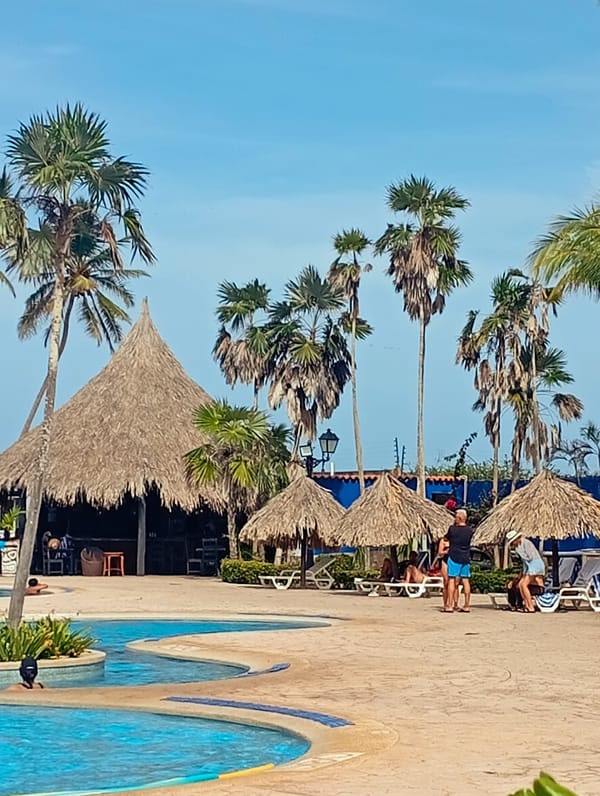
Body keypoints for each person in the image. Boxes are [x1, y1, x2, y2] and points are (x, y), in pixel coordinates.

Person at [506, 530, 546, 613]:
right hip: (529, 566)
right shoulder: (518, 547)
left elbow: (531, 558)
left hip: (535, 565)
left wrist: (527, 574)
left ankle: (531, 607)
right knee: (520, 584)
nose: (513, 543)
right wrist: (524, 574)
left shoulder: (527, 543)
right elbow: (525, 563)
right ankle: (527, 605)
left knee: (524, 584)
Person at [445, 509, 475, 613]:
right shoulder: (470, 530)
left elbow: (446, 539)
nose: (455, 518)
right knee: (466, 580)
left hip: (454, 556)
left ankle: (449, 605)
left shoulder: (452, 529)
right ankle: (467, 605)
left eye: (456, 517)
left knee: (452, 580)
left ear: (460, 518)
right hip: (465, 557)